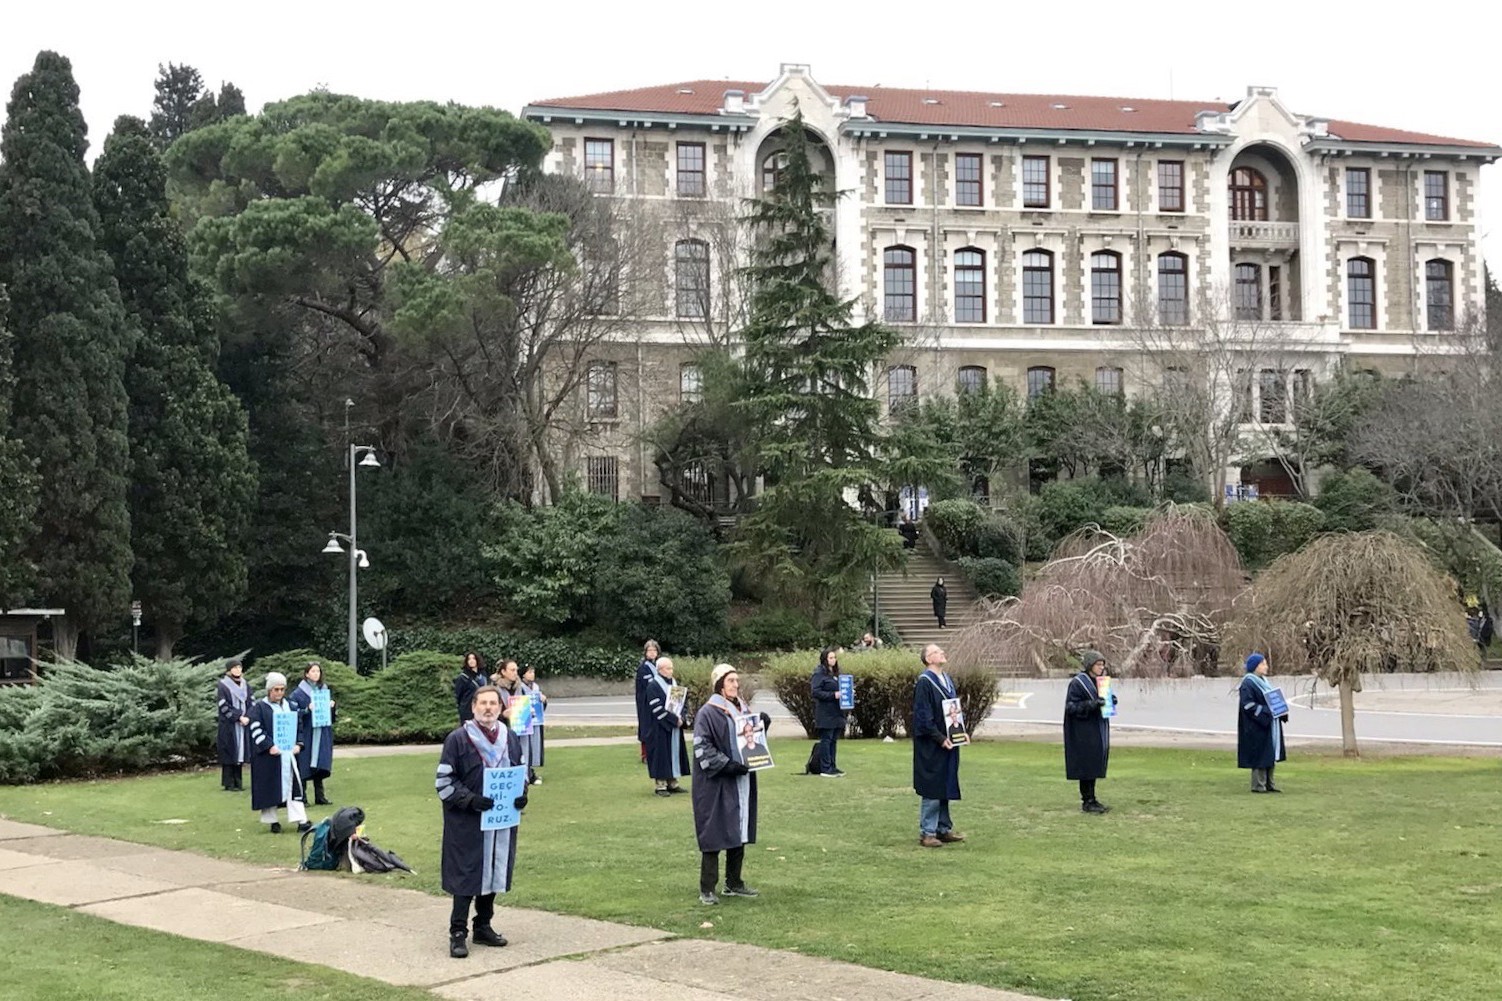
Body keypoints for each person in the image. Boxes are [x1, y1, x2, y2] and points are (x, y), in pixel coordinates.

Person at [435, 685, 528, 958]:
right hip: (468, 822)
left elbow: (519, 772)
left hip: (499, 821)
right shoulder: (458, 739)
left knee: (493, 872)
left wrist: (521, 796)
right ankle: (458, 932)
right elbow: (444, 781)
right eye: (483, 703)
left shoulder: (508, 737)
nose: (488, 708)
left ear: (500, 708)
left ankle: (483, 926)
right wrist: (470, 799)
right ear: (473, 707)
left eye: (493, 703)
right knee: (467, 875)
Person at [691, 664, 760, 905]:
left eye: (736, 681)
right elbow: (702, 747)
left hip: (741, 781)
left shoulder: (742, 709)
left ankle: (734, 882)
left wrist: (763, 728)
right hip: (717, 784)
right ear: (719, 683)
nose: (735, 685)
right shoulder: (708, 713)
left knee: (738, 829)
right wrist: (727, 764)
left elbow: (751, 739)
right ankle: (707, 887)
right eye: (730, 680)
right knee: (715, 831)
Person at [912, 644, 965, 847]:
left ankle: (943, 828)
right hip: (932, 744)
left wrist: (960, 734)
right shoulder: (925, 683)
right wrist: (940, 738)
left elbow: (953, 711)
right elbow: (923, 717)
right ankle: (928, 832)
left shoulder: (947, 680)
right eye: (937, 651)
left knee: (945, 783)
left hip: (950, 741)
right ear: (928, 659)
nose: (943, 652)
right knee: (932, 786)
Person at [248, 672, 311, 835]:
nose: (279, 693)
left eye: (282, 689)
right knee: (270, 788)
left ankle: (301, 820)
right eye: (276, 689)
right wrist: (269, 746)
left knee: (294, 787)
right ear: (269, 690)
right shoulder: (259, 708)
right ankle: (273, 821)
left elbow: (298, 726)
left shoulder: (291, 705)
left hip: (289, 755)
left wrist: (299, 744)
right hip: (270, 757)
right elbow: (255, 729)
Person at [1063, 649, 1117, 814]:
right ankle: (1087, 800)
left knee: (1094, 765)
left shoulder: (1100, 682)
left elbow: (1103, 703)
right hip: (1082, 731)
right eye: (1098, 664)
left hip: (1097, 729)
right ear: (1089, 665)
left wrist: (1111, 701)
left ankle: (1093, 798)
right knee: (1085, 765)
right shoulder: (1078, 683)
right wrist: (1092, 704)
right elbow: (1071, 707)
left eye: (1102, 664)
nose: (1101, 668)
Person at [1238, 652, 1287, 793]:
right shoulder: (1248, 683)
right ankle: (1259, 785)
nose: (1266, 666)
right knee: (1260, 755)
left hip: (1270, 724)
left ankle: (1269, 783)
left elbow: (1273, 699)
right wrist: (1267, 711)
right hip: (1256, 726)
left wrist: (1281, 710)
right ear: (1255, 666)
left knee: (1270, 753)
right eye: (1263, 664)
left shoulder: (1265, 682)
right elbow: (1247, 705)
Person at [288, 661, 336, 806]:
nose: (316, 674)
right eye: (313, 671)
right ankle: (302, 796)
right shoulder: (298, 693)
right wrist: (307, 709)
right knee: (304, 763)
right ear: (307, 673)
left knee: (320, 763)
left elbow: (331, 717)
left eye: (318, 671)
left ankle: (320, 796)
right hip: (307, 732)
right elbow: (292, 713)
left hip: (321, 732)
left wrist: (332, 707)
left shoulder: (323, 690)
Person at [642, 656, 689, 796]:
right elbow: (656, 708)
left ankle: (673, 782)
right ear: (660, 669)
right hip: (659, 727)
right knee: (661, 755)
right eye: (668, 668)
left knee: (673, 753)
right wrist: (673, 720)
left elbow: (681, 703)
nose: (671, 671)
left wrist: (681, 717)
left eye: (671, 668)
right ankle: (660, 785)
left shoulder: (673, 683)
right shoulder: (653, 686)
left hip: (674, 726)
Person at [809, 646, 847, 777]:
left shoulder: (836, 674)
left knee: (834, 740)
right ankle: (825, 768)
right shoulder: (819, 673)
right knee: (826, 739)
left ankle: (832, 765)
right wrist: (833, 695)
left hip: (837, 712)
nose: (833, 660)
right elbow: (816, 692)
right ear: (825, 659)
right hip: (825, 712)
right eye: (831, 658)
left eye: (834, 657)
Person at [215, 658, 252, 792]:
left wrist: (247, 716)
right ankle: (229, 783)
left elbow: (250, 703)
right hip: (229, 725)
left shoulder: (245, 685)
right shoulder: (223, 685)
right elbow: (223, 706)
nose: (237, 670)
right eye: (235, 668)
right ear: (229, 670)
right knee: (229, 752)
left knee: (240, 753)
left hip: (243, 724)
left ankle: (238, 781)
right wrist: (238, 717)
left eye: (239, 667)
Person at [634, 639, 661, 775]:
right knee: (646, 727)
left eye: (654, 650)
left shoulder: (658, 665)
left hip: (655, 700)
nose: (652, 653)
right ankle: (645, 754)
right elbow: (649, 684)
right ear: (645, 653)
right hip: (645, 702)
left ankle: (655, 752)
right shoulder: (643, 668)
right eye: (649, 650)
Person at [519, 665, 547, 785]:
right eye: (529, 672)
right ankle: (524, 775)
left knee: (534, 747)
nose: (532, 674)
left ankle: (530, 772)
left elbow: (540, 706)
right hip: (524, 721)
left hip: (535, 721)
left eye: (533, 672)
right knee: (525, 748)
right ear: (523, 674)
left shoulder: (535, 687)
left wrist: (543, 700)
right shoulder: (520, 687)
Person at [454, 652, 487, 725]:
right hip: (468, 710)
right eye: (469, 659)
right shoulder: (463, 678)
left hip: (482, 708)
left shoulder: (483, 675)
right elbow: (458, 696)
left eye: (473, 658)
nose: (471, 661)